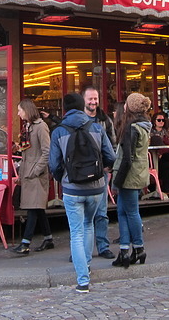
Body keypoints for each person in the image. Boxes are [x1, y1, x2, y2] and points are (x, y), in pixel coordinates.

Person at [48, 93, 116, 293]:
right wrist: (102, 170)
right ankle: (86, 264)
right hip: (96, 187)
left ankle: (83, 279)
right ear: (81, 106)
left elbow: (54, 164)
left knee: (76, 232)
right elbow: (111, 156)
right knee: (88, 225)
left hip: (72, 188)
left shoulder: (59, 131)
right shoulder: (96, 127)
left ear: (65, 109)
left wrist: (63, 179)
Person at [111, 93, 151, 269]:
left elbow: (127, 158)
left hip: (128, 175)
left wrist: (117, 180)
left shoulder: (131, 128)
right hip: (138, 173)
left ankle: (137, 248)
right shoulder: (145, 126)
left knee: (130, 212)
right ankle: (125, 249)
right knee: (123, 211)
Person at [12, 98, 54, 255]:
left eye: (20, 110)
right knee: (37, 207)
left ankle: (25, 242)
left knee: (33, 208)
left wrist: (36, 170)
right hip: (28, 172)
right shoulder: (28, 127)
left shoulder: (41, 127)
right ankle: (48, 238)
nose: (18, 113)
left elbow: (46, 151)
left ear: (27, 110)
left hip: (36, 174)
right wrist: (22, 175)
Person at [82, 86, 116, 260]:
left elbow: (112, 143)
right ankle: (81, 250)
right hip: (80, 173)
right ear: (84, 100)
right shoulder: (77, 120)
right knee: (81, 214)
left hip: (100, 172)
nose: (93, 102)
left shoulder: (105, 120)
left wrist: (109, 165)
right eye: (90, 99)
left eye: (95, 99)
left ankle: (103, 246)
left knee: (101, 212)